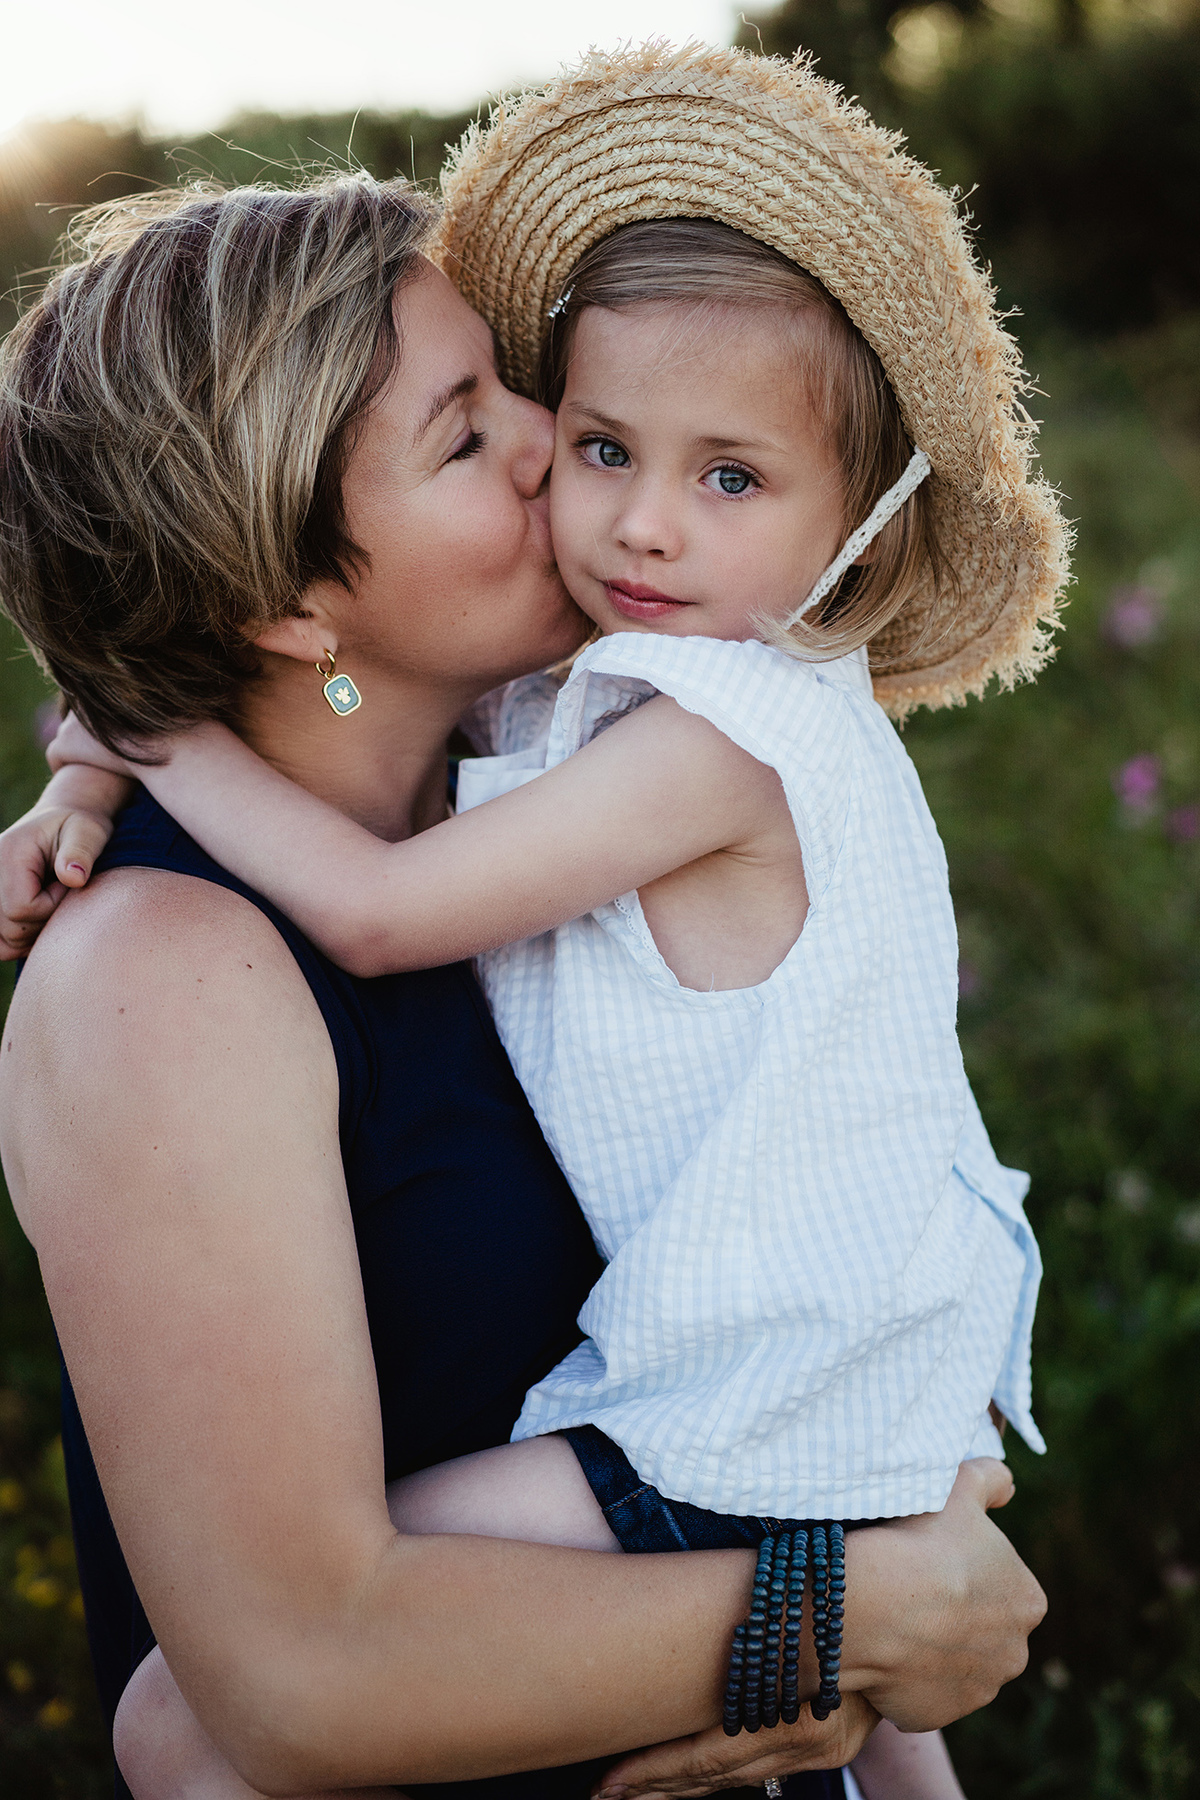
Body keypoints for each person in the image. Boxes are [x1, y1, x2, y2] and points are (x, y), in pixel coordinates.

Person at [0, 57, 1047, 1800]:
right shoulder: (163, 979)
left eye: (520, 387)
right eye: (468, 432)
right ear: (289, 599)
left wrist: (98, 749)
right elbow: (292, 1685)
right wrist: (840, 1614)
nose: (560, 446)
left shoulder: (554, 788)